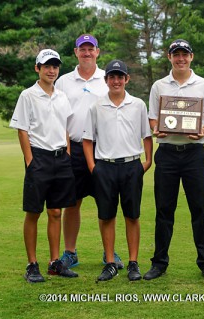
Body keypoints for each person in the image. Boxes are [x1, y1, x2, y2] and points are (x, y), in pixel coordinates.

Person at [143, 39, 204, 281]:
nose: (180, 59)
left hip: (194, 153)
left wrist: (203, 131)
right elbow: (153, 119)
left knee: (200, 210)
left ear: (191, 57)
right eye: (176, 55)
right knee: (164, 210)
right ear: (169, 57)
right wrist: (157, 130)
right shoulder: (159, 85)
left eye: (184, 55)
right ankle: (159, 263)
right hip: (166, 154)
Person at [55, 34, 123, 270]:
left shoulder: (107, 78)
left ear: (97, 51)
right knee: (72, 202)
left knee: (106, 202)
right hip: (73, 148)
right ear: (75, 52)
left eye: (90, 49)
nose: (86, 53)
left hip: (102, 148)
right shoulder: (63, 81)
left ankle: (109, 253)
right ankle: (70, 252)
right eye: (82, 49)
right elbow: (58, 115)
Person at [10, 49, 79, 283]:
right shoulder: (27, 95)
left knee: (56, 212)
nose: (51, 71)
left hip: (61, 157)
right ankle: (32, 264)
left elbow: (65, 128)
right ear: (37, 68)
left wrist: (67, 153)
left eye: (55, 66)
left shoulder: (61, 96)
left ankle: (54, 263)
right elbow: (22, 129)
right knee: (34, 212)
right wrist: (30, 161)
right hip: (38, 157)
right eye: (47, 66)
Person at [82, 60, 153, 282]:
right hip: (105, 166)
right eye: (112, 77)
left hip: (132, 165)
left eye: (120, 77)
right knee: (107, 216)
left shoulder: (138, 104)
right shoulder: (96, 106)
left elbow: (147, 135)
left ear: (126, 79)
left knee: (132, 215)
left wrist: (148, 161)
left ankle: (133, 263)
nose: (116, 81)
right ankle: (110, 263)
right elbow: (87, 140)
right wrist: (93, 168)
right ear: (106, 80)